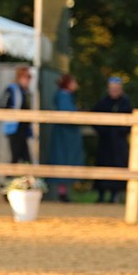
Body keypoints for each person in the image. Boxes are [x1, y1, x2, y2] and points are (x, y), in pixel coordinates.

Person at [93, 76, 132, 203]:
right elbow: (93, 118)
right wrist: (103, 130)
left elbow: (129, 123)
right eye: (112, 88)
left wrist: (119, 132)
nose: (114, 91)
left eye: (116, 88)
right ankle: (101, 195)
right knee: (102, 166)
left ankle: (115, 195)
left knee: (118, 167)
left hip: (119, 143)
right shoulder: (103, 102)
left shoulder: (125, 103)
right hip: (105, 142)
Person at [46, 73, 84, 202]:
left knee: (65, 161)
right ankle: (62, 193)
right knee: (63, 160)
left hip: (67, 134)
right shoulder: (63, 96)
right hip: (65, 135)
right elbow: (68, 114)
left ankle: (63, 192)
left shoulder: (65, 96)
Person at [0, 66, 33, 164]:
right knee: (16, 156)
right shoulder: (11, 89)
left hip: (23, 128)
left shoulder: (26, 92)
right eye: (27, 77)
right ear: (20, 77)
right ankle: (10, 178)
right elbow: (2, 105)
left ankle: (25, 177)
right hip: (14, 128)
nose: (29, 80)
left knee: (25, 157)